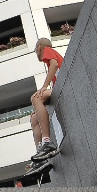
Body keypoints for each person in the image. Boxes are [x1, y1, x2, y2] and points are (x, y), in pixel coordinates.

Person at [25, 37, 64, 174]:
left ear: (39, 47)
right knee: (34, 117)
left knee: (35, 97)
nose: (36, 53)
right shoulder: (50, 55)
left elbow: (53, 65)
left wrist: (44, 86)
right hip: (59, 88)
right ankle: (41, 157)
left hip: (62, 87)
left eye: (36, 50)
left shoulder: (48, 50)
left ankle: (47, 141)